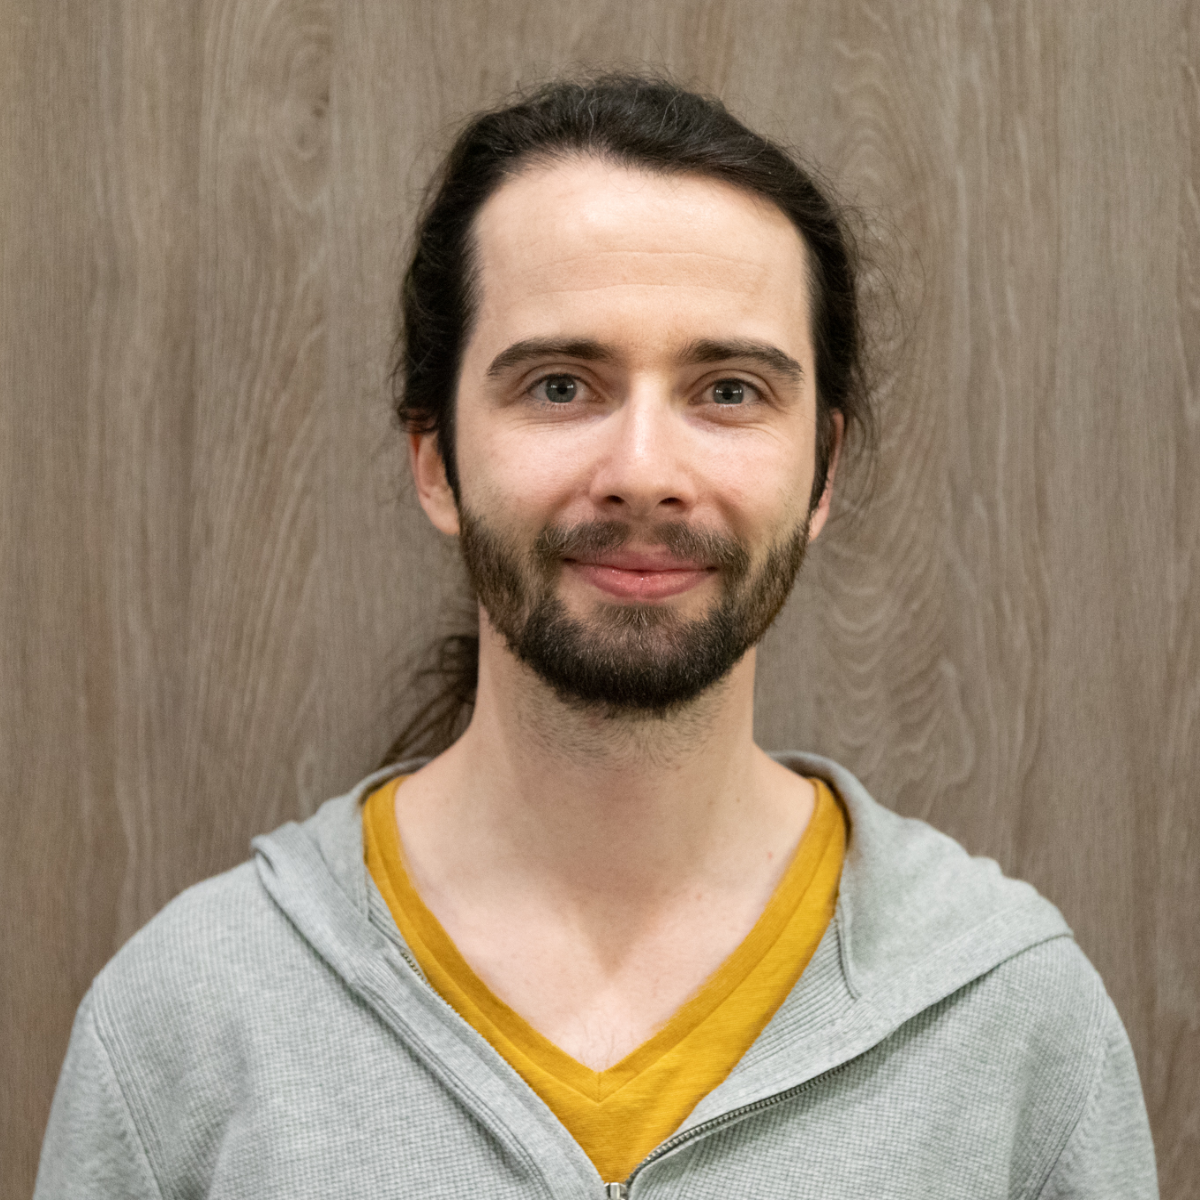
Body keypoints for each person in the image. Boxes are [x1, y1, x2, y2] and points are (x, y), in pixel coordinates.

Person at [36, 74, 1157, 1198]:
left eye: (728, 391)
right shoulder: (186, 1023)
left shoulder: (1014, 1019)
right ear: (435, 459)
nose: (644, 472)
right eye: (562, 386)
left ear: (822, 471)